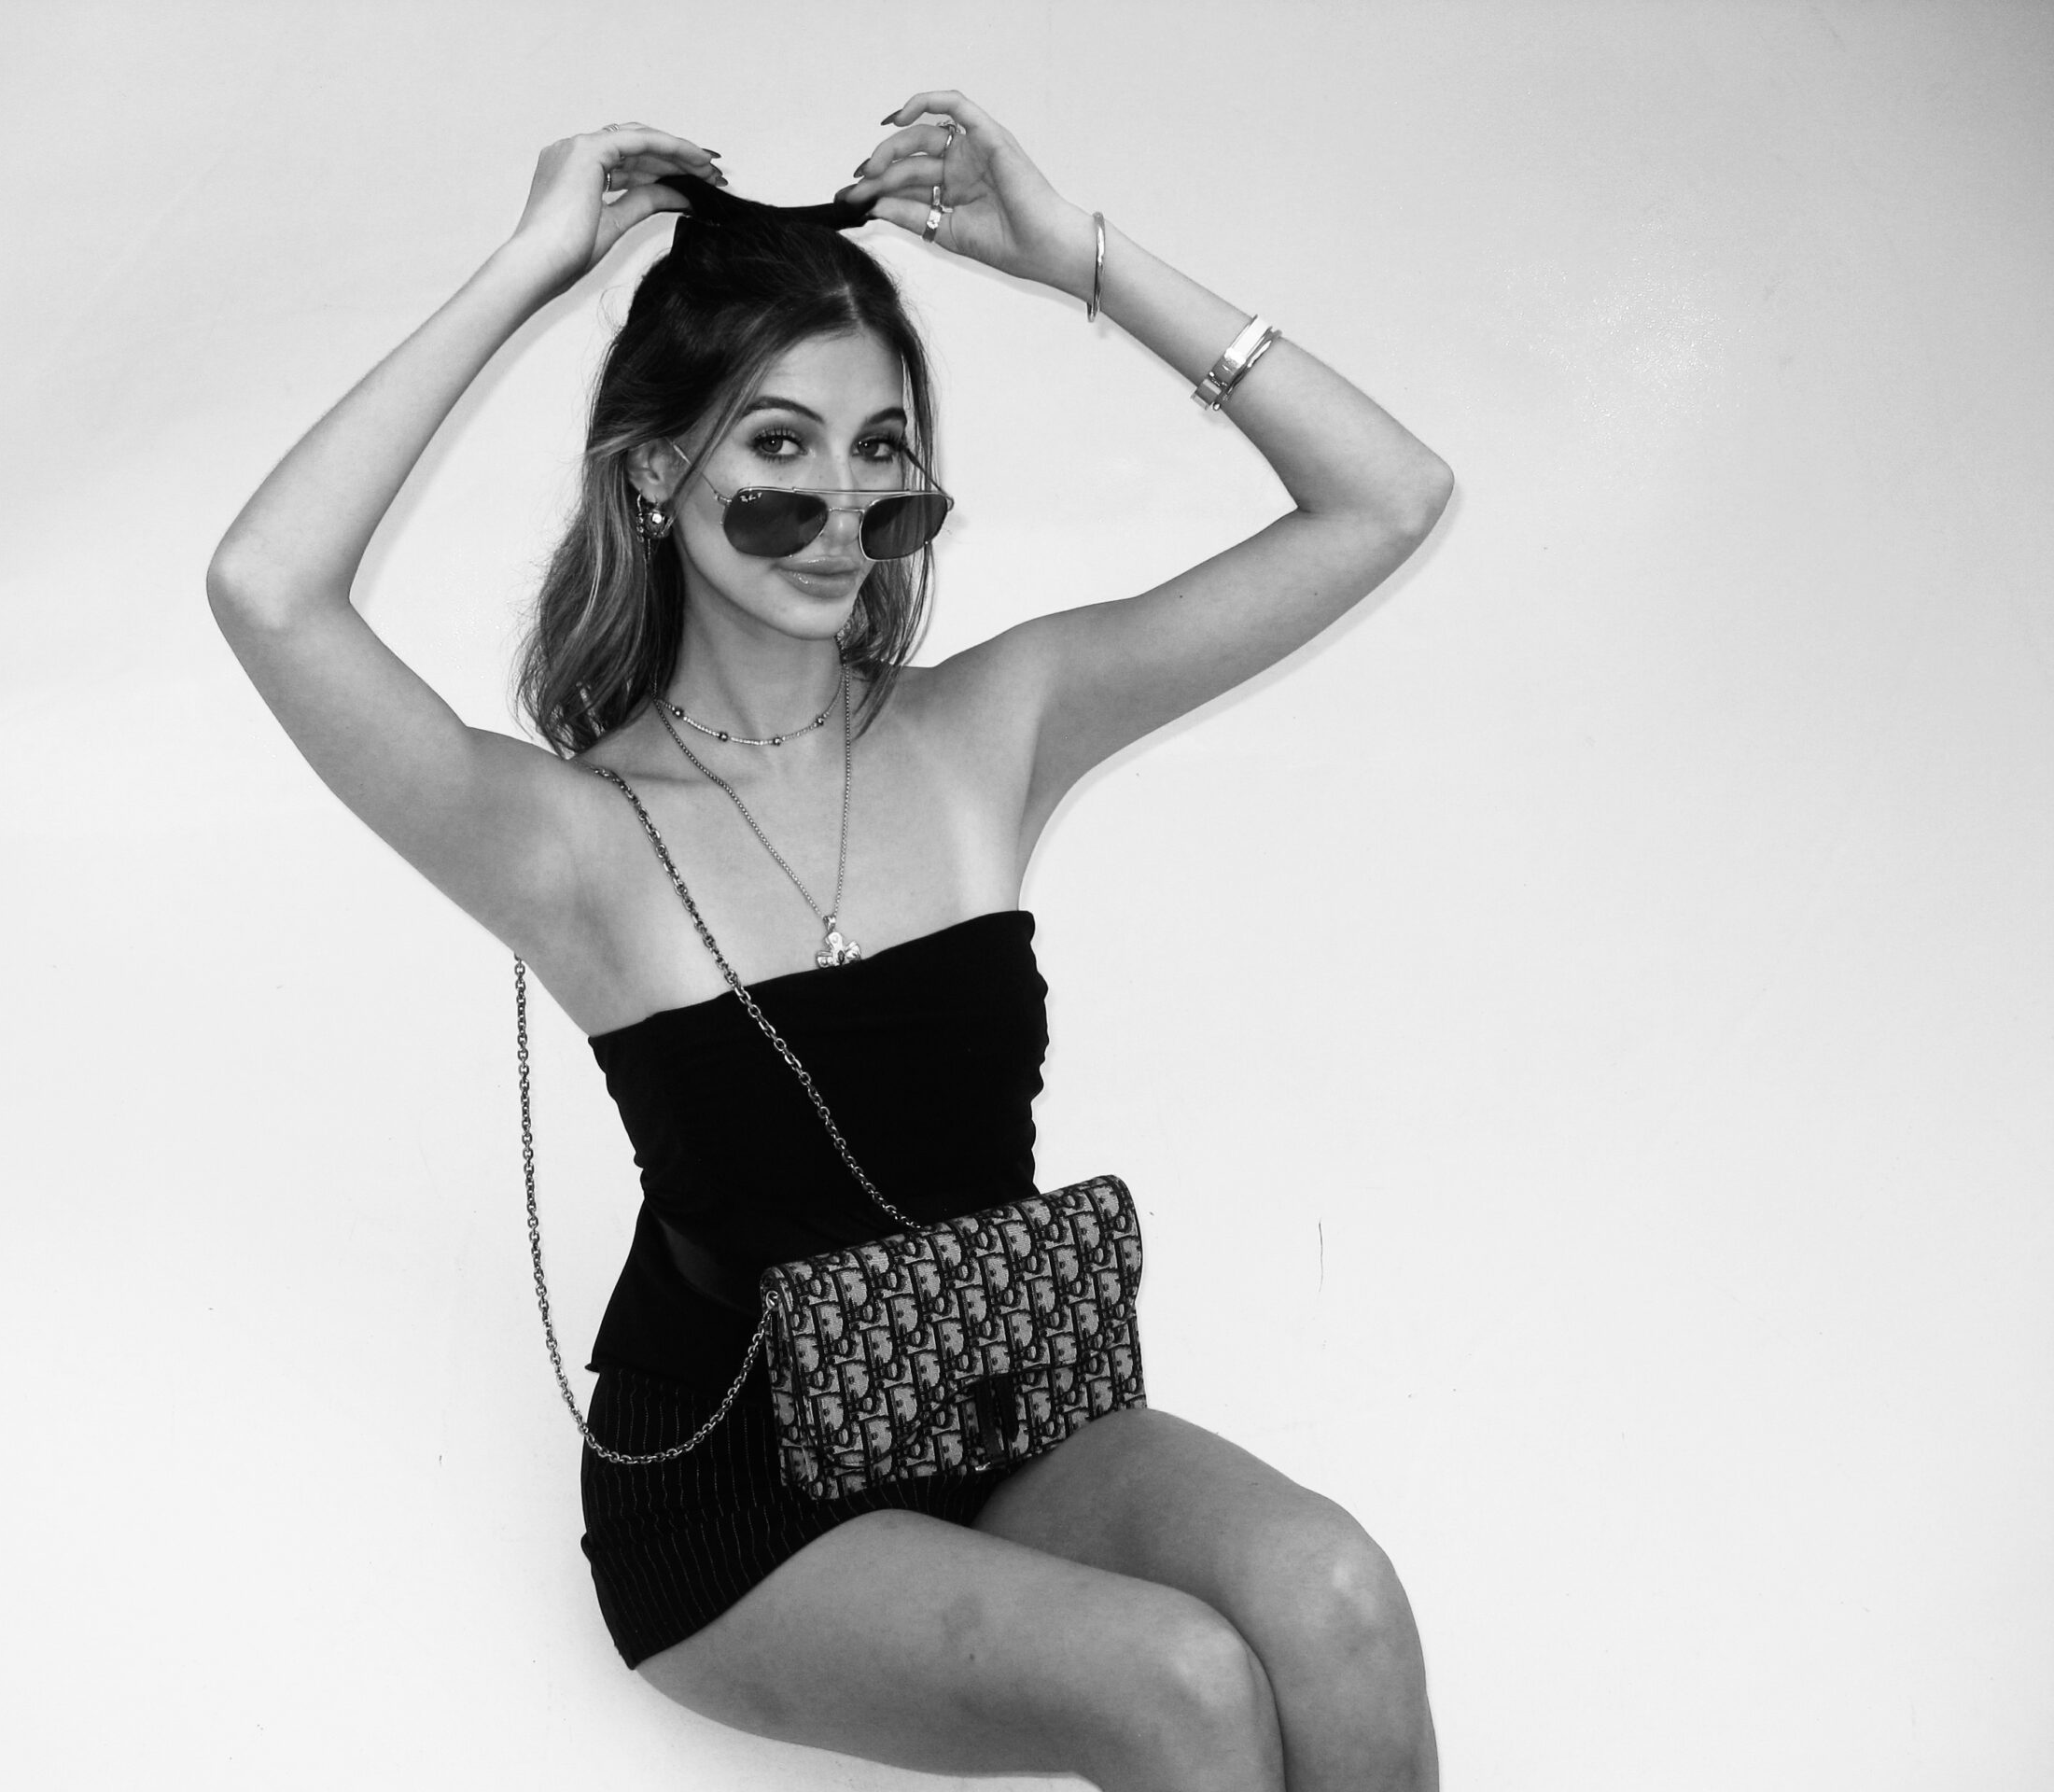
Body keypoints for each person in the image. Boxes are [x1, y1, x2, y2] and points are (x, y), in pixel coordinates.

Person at [209, 89, 1450, 1792]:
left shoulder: (993, 725)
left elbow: (1387, 497)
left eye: (882, 452)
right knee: (1181, 1687)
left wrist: (1077, 256)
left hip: (998, 1394)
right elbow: (267, 588)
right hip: (738, 1486)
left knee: (1338, 1599)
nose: (846, 506)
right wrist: (528, 273)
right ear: (661, 472)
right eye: (780, 449)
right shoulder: (569, 837)